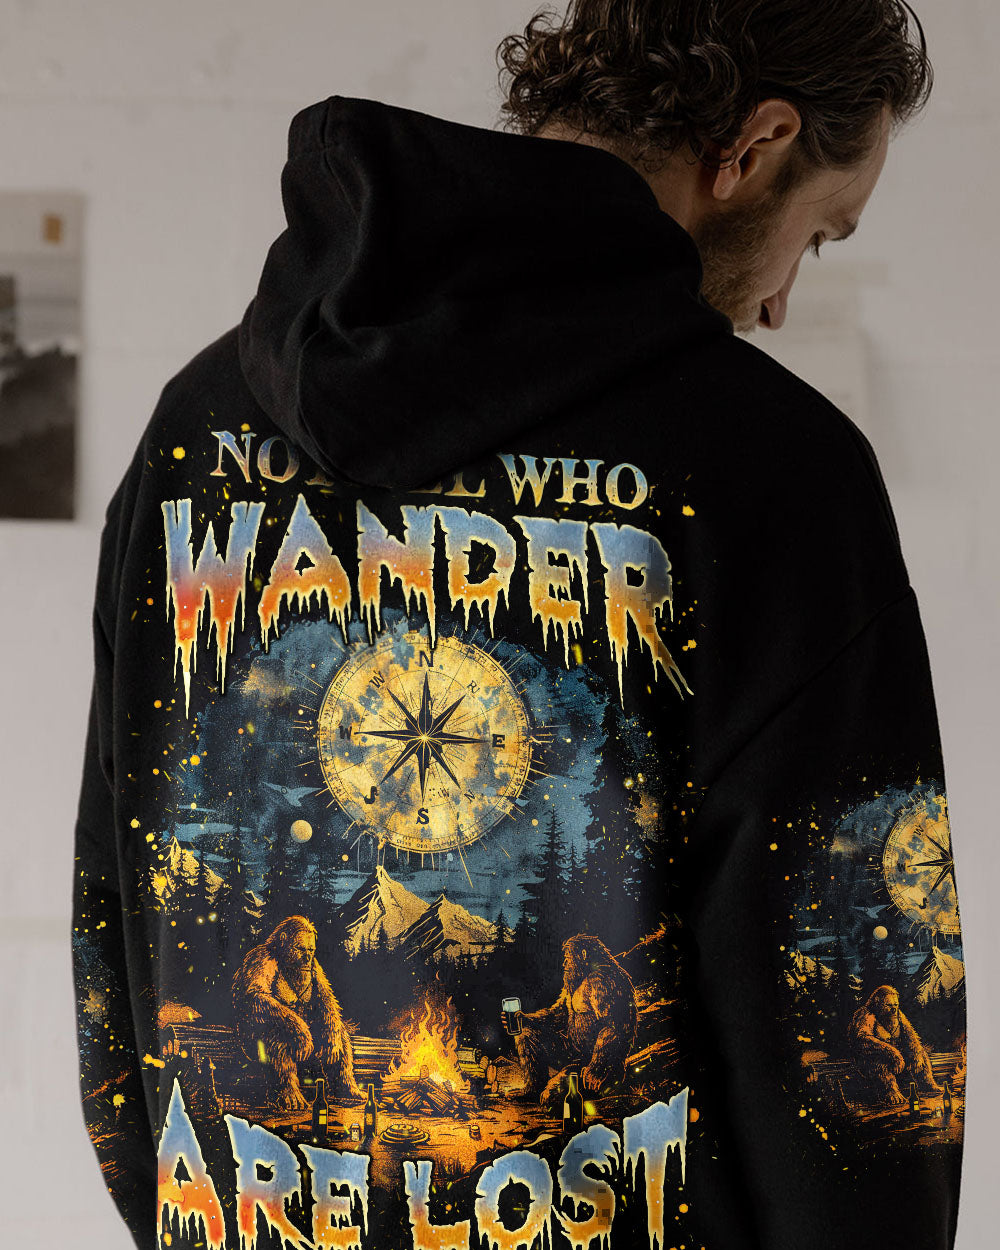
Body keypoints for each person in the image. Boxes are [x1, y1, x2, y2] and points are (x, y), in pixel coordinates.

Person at [72, 3, 967, 1248]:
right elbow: (845, 1011)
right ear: (754, 147)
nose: (775, 302)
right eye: (816, 235)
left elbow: (115, 912)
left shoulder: (200, 426)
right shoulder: (777, 468)